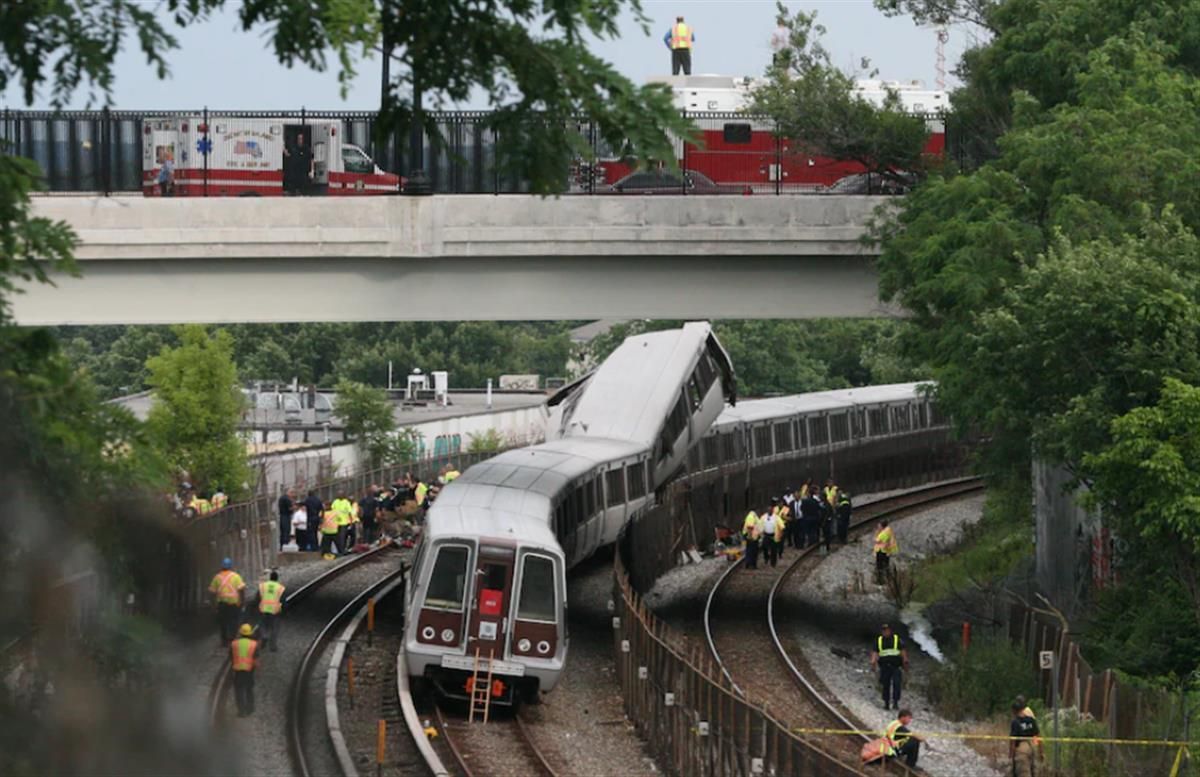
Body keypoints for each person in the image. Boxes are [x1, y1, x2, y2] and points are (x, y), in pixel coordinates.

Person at [870, 623, 909, 710]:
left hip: (896, 667)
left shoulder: (897, 640)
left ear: (890, 631)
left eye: (887, 630)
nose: (885, 632)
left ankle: (895, 702)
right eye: (884, 630)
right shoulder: (879, 641)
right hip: (884, 667)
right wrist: (873, 663)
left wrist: (905, 663)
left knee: (897, 684)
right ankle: (886, 703)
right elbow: (875, 652)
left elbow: (903, 652)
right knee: (885, 685)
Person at [209, 558, 246, 646]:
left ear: (222, 567)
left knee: (223, 622)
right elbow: (241, 590)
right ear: (231, 566)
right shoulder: (236, 576)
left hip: (222, 604)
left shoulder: (217, 577)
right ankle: (232, 639)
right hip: (233, 604)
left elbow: (212, 593)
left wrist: (213, 605)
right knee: (234, 622)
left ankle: (224, 641)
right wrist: (242, 602)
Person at [231, 623, 259, 716]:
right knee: (249, 690)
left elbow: (231, 656)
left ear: (240, 633)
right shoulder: (254, 644)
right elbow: (256, 659)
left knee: (239, 691)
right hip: (249, 670)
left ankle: (241, 711)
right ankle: (250, 709)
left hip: (238, 671)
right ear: (250, 633)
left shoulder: (234, 644)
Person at [1010, 701, 1041, 777]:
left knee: (1023, 773)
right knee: (1035, 771)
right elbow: (1037, 735)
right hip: (1033, 746)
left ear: (1014, 710)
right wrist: (1039, 750)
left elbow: (1013, 739)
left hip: (1022, 748)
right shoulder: (1031, 720)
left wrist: (1012, 753)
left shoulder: (1015, 722)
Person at [257, 570, 285, 652]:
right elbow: (283, 601)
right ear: (277, 579)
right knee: (274, 628)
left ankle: (264, 636)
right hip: (275, 610)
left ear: (270, 578)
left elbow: (257, 598)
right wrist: (283, 609)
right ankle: (273, 646)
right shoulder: (280, 587)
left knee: (263, 624)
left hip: (263, 609)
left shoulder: (263, 586)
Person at [761, 503, 779, 568]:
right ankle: (766, 557)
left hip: (773, 535)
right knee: (764, 547)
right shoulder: (763, 517)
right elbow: (760, 525)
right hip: (766, 534)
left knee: (774, 550)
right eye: (768, 510)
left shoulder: (776, 517)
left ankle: (773, 563)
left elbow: (780, 525)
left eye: (771, 510)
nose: (769, 511)